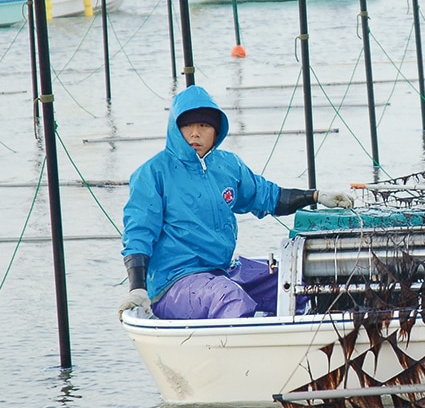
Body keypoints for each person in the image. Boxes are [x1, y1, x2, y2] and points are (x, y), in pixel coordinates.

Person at [117, 85, 354, 321]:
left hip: (224, 271)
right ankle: (237, 354)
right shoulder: (153, 173)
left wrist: (315, 196)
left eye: (204, 125)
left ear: (216, 130)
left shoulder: (228, 165)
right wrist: (137, 286)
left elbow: (268, 196)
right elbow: (139, 232)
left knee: (295, 281)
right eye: (187, 125)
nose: (195, 133)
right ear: (175, 128)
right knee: (230, 298)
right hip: (175, 282)